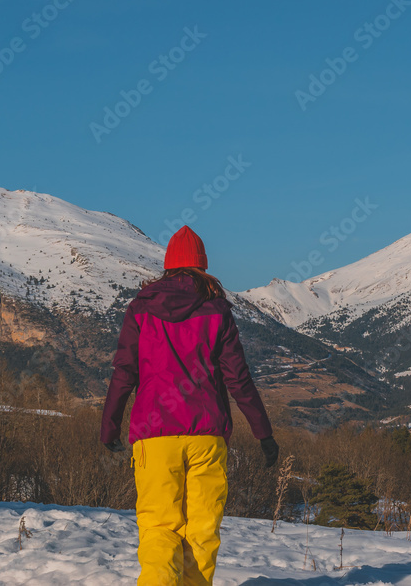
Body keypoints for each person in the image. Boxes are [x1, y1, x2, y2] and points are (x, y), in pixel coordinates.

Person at [100, 225, 279, 585]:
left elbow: (124, 373)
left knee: (159, 527)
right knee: (202, 530)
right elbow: (238, 379)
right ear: (202, 266)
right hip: (207, 436)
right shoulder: (217, 311)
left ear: (167, 266)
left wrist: (110, 428)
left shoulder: (140, 309)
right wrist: (264, 434)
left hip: (154, 435)